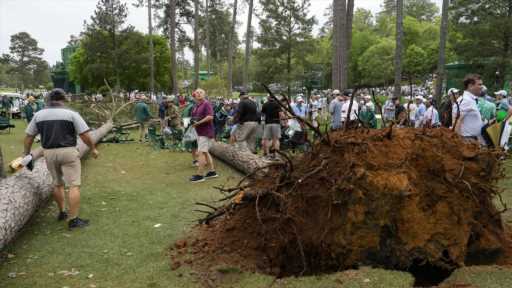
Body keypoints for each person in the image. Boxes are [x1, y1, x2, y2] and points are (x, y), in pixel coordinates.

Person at [23, 88, 99, 229]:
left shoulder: (38, 115)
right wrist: (93, 148)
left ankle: (62, 212)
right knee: (73, 185)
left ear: (48, 100)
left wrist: (27, 154)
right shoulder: (71, 114)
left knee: (57, 184)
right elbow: (84, 135)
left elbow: (29, 137)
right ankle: (73, 220)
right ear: (63, 99)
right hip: (69, 152)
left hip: (49, 153)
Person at [190, 88, 218, 183]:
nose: (198, 94)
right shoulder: (197, 105)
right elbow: (195, 117)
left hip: (206, 132)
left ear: (204, 94)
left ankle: (200, 175)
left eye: (200, 92)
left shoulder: (206, 103)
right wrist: (193, 121)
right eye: (197, 92)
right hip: (199, 132)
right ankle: (212, 172)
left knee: (200, 152)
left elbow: (210, 117)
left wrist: (197, 123)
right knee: (205, 152)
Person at [452, 74, 484, 143]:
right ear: (470, 86)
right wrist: (458, 143)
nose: (482, 87)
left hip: (473, 140)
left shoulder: (470, 100)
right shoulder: (465, 100)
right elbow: (456, 121)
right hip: (467, 141)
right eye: (479, 84)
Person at [261, 95, 284, 159]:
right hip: (276, 123)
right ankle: (276, 155)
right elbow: (281, 114)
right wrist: (283, 121)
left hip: (268, 123)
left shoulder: (265, 104)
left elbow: (262, 114)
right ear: (274, 98)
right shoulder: (277, 104)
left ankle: (268, 155)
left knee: (267, 139)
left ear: (268, 98)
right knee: (276, 140)